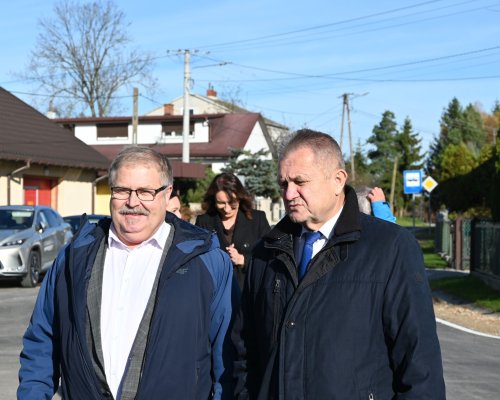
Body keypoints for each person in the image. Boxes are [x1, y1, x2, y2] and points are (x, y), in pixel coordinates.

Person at [233, 129, 445, 399]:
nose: (289, 193)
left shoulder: (390, 247)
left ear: (338, 180)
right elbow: (243, 351)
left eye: (300, 181)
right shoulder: (266, 253)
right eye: (283, 184)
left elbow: (419, 361)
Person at [18, 146, 234, 400]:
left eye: (145, 192)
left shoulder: (206, 261)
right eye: (122, 190)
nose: (132, 202)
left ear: (167, 194)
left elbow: (228, 357)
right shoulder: (73, 257)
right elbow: (42, 342)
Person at [196, 172, 270, 290]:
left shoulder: (257, 219)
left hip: (249, 292)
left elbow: (269, 257)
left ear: (240, 198)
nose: (227, 209)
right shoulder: (204, 222)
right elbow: (198, 260)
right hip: (215, 291)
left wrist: (243, 260)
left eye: (232, 202)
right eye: (221, 203)